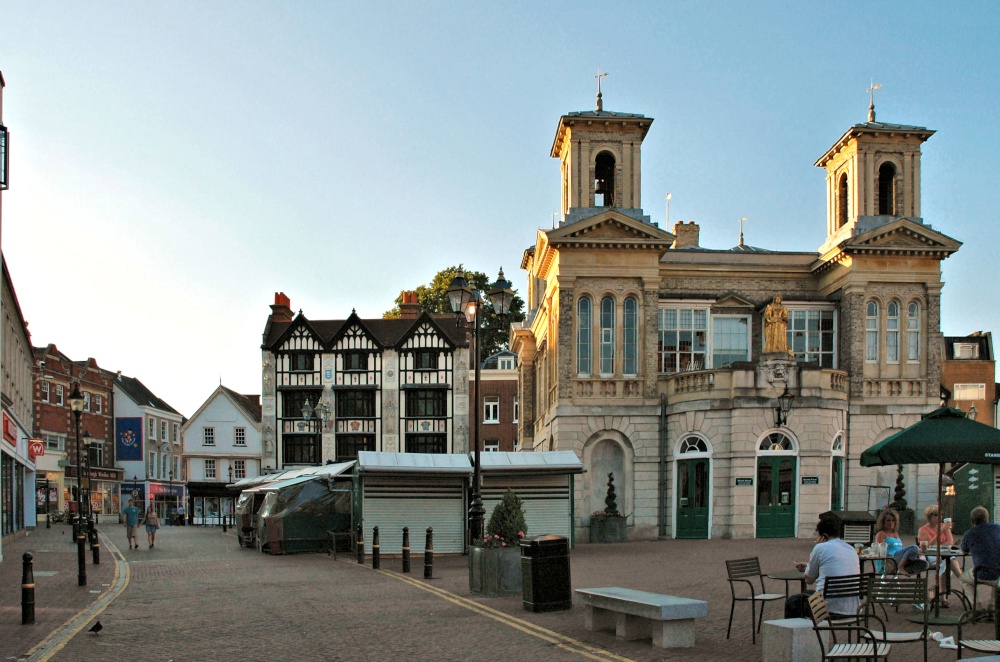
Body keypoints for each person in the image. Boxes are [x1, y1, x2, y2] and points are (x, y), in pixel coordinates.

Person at [785, 515, 861, 619]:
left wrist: (815, 548)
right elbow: (832, 564)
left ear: (823, 536)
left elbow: (809, 580)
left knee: (792, 603)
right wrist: (808, 565)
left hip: (827, 609)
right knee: (805, 596)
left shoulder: (820, 548)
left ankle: (800, 634)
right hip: (852, 609)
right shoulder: (851, 549)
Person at [917, 504, 962, 607]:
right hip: (929, 556)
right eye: (936, 515)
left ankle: (944, 592)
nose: (939, 517)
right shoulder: (923, 529)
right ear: (929, 516)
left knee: (950, 559)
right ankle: (958, 582)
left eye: (940, 514)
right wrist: (940, 532)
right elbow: (928, 546)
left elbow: (950, 542)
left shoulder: (944, 526)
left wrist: (939, 543)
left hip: (943, 555)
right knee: (946, 562)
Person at [960, 506, 1000, 609]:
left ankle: (977, 607)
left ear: (972, 520)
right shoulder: (998, 528)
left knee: (963, 578)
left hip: (981, 573)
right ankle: (993, 607)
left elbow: (964, 549)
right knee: (997, 578)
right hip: (999, 573)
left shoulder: (970, 533)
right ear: (987, 517)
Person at [874, 508, 903, 574]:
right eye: (888, 520)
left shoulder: (895, 533)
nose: (891, 523)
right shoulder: (881, 534)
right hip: (887, 562)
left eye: (893, 520)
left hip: (899, 560)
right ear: (883, 522)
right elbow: (879, 552)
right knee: (913, 548)